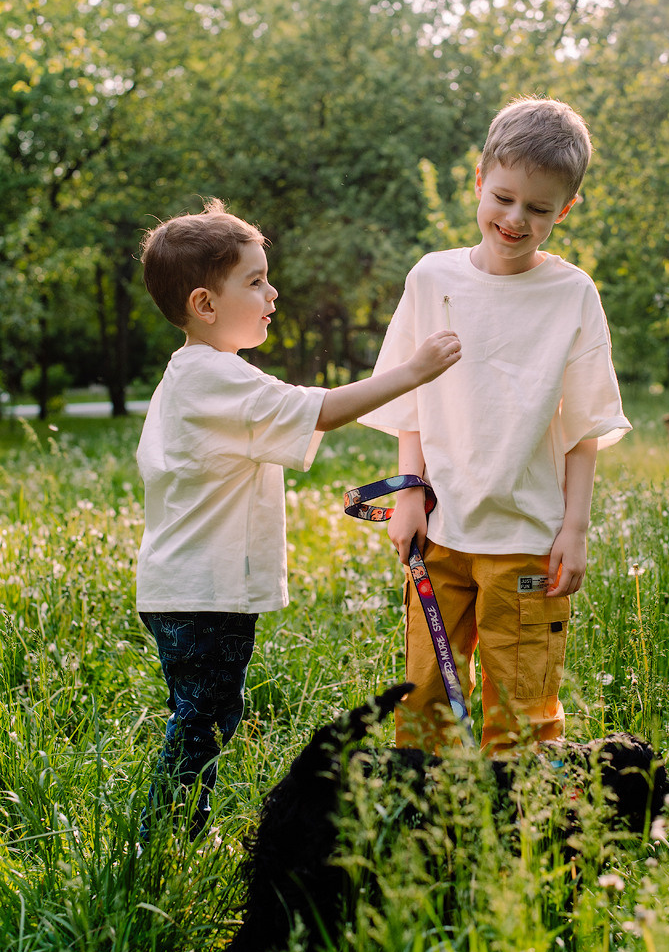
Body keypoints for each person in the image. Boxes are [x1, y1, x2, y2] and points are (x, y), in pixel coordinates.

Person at [135, 198, 461, 841]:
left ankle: (174, 830)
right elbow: (323, 410)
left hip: (191, 589)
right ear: (205, 304)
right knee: (203, 722)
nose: (272, 293)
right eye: (255, 281)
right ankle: (163, 837)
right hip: (201, 594)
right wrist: (414, 372)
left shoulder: (201, 374)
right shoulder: (211, 377)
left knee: (205, 715)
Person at [360, 96, 631, 754]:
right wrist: (408, 493)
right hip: (441, 532)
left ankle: (522, 814)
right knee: (424, 701)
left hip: (528, 539)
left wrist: (574, 528)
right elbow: (408, 394)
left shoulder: (572, 295)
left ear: (564, 210)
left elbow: (584, 427)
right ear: (479, 180)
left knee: (523, 712)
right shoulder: (432, 277)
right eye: (503, 198)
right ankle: (425, 808)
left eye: (537, 209)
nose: (514, 219)